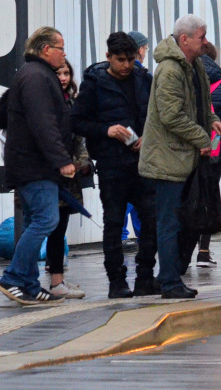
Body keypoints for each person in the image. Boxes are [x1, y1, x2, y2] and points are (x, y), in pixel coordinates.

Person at [139, 15, 221, 299]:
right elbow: (171, 115)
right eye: (202, 37)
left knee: (182, 220)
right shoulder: (170, 70)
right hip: (167, 160)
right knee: (169, 222)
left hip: (184, 157)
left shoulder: (195, 64)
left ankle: (170, 276)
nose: (206, 42)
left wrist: (210, 118)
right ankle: (169, 282)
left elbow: (201, 101)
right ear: (184, 39)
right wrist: (202, 138)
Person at [72, 32, 157, 299]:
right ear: (108, 57)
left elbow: (157, 115)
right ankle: (116, 281)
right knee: (113, 222)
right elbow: (76, 122)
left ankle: (145, 277)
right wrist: (107, 130)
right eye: (120, 60)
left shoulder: (144, 79)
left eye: (131, 59)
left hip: (143, 163)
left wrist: (148, 136)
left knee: (150, 221)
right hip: (112, 163)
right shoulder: (94, 84)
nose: (126, 65)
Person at [0, 27, 75, 306]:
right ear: (46, 50)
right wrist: (62, 160)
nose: (64, 54)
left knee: (34, 220)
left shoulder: (34, 75)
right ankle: (13, 277)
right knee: (47, 219)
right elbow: (42, 122)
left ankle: (29, 284)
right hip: (35, 165)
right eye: (61, 48)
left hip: (31, 163)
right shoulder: (37, 77)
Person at [47, 60, 89, 299]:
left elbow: (79, 138)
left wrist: (81, 163)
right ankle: (53, 281)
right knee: (49, 227)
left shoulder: (71, 101)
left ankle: (57, 279)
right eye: (58, 73)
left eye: (66, 73)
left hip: (68, 173)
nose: (63, 77)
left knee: (59, 228)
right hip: (53, 173)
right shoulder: (49, 102)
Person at [195, 42, 221, 268]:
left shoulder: (188, 81)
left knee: (192, 196)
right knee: (210, 196)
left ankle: (184, 249)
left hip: (188, 150)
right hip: (215, 151)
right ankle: (203, 250)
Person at [122, 30, 150, 245]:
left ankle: (123, 235)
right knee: (138, 195)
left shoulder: (111, 77)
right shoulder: (144, 77)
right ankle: (142, 235)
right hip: (139, 142)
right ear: (140, 49)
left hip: (120, 142)